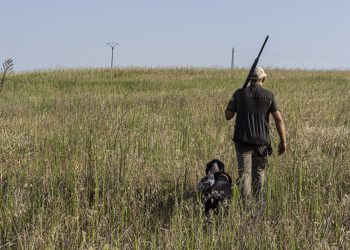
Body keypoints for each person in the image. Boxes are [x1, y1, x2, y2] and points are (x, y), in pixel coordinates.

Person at [225, 66, 286, 208]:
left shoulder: (239, 94)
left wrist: (235, 100)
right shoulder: (269, 95)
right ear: (262, 79)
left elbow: (228, 116)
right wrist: (283, 141)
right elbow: (279, 120)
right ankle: (259, 207)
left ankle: (246, 209)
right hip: (262, 144)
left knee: (245, 175)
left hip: (243, 143)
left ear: (249, 79)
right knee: (259, 174)